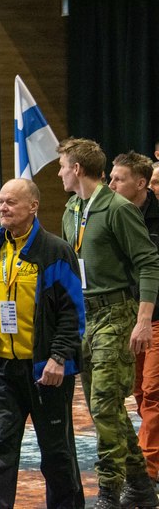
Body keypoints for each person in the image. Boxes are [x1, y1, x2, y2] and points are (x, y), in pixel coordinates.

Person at [0, 178, 85, 508]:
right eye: (1, 201)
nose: (3, 207)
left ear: (33, 206)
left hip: (47, 372)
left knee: (57, 455)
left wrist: (59, 358)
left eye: (11, 202)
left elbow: (72, 313)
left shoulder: (56, 251)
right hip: (3, 372)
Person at [58, 138, 159, 508]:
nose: (59, 174)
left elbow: (149, 263)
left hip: (117, 313)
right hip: (85, 315)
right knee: (106, 407)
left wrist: (143, 320)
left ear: (77, 169)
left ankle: (108, 492)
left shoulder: (118, 208)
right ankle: (141, 486)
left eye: (62, 167)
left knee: (104, 405)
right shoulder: (71, 210)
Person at [109, 152, 159, 486]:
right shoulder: (113, 215)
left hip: (156, 317)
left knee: (153, 392)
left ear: (140, 184)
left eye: (118, 179)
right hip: (126, 316)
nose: (111, 184)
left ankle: (147, 471)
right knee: (139, 392)